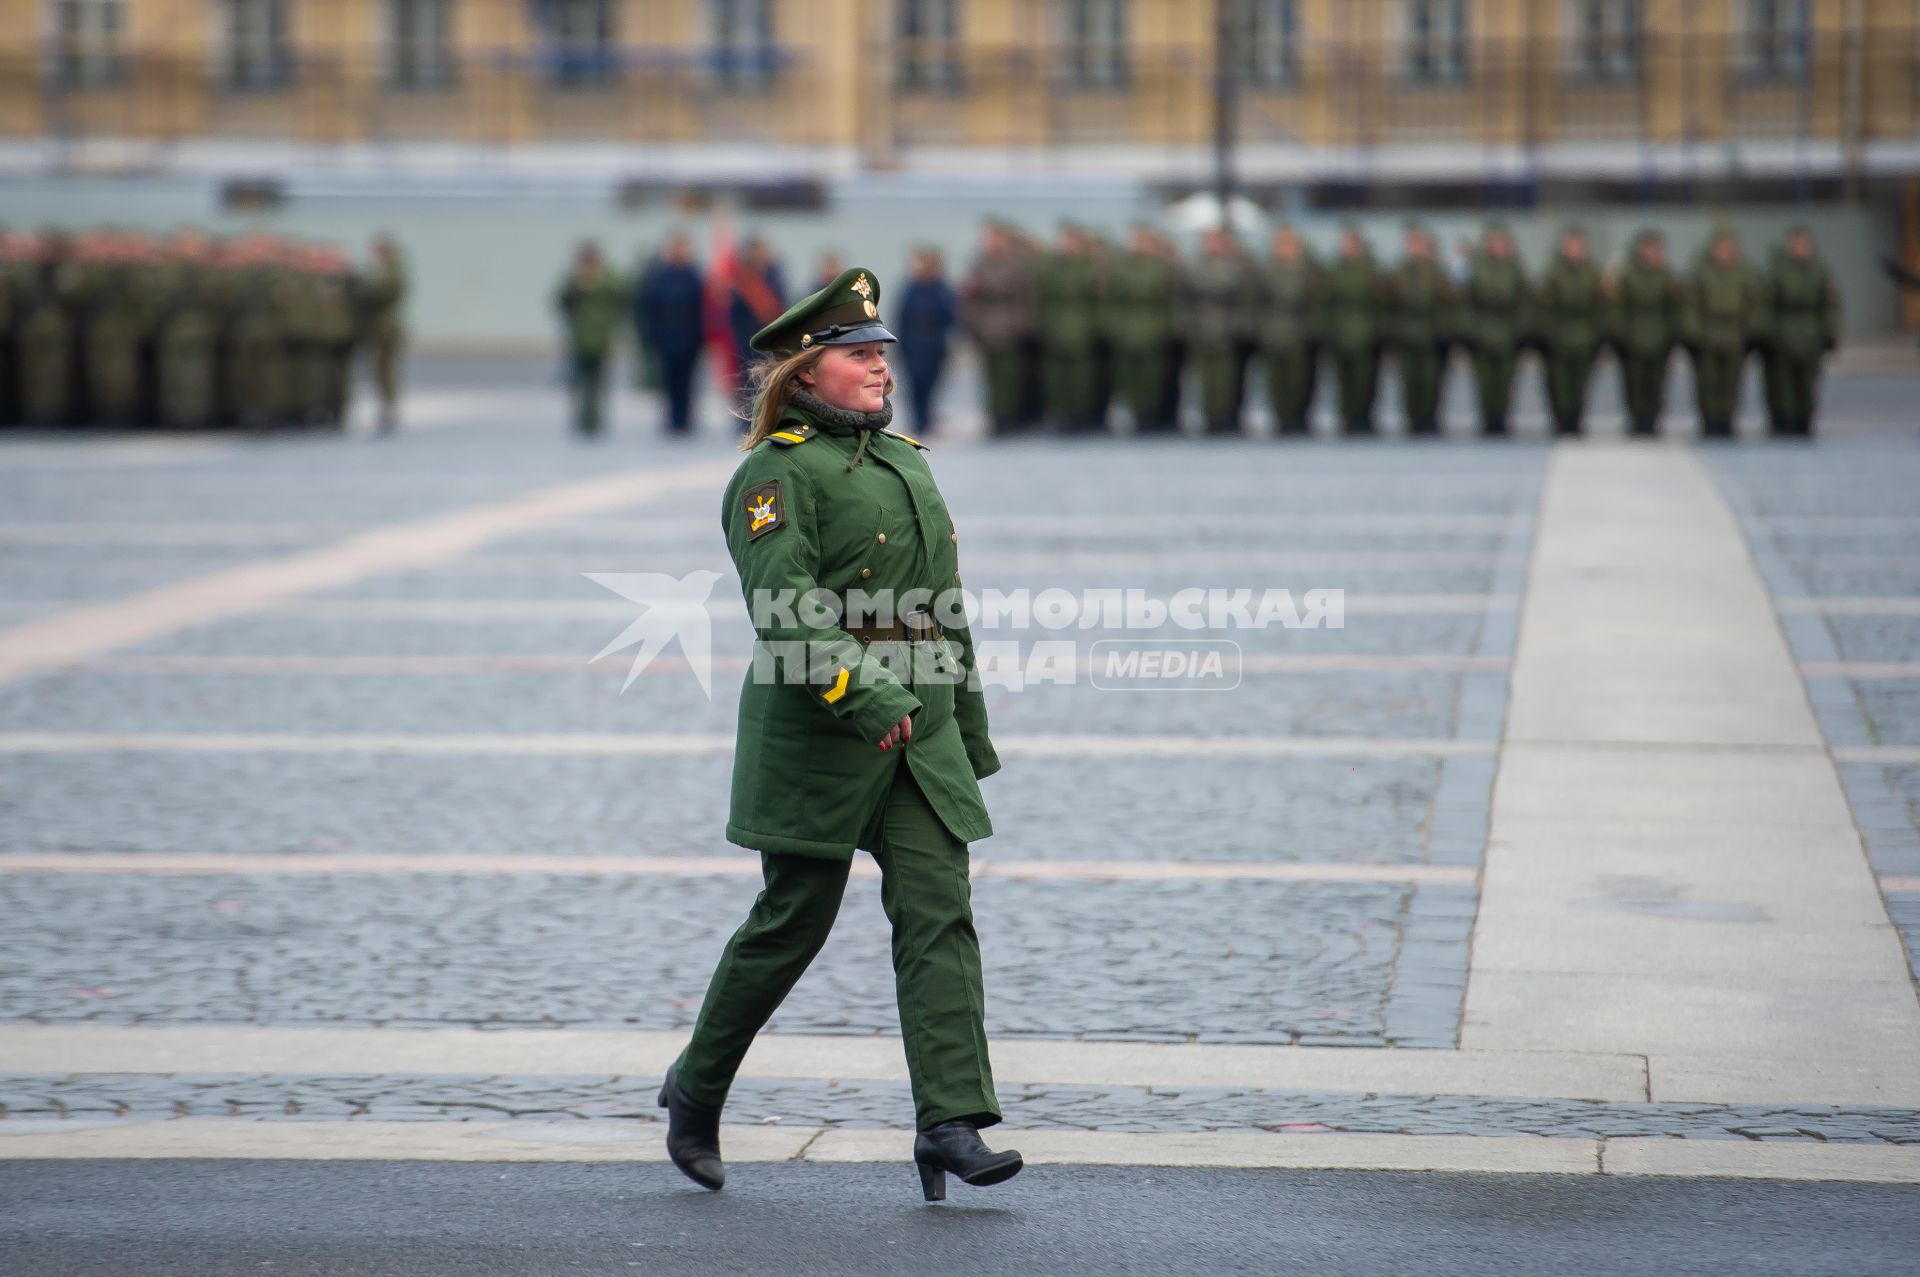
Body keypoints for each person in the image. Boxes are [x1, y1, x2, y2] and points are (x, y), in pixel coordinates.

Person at [659, 265, 1020, 1203]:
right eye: (859, 356)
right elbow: (786, 610)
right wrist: (864, 695)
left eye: (882, 356)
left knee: (938, 909)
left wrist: (967, 727)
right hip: (822, 725)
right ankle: (695, 1089)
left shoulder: (908, 460)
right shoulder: (774, 473)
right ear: (808, 370)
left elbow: (944, 608)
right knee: (793, 922)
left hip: (920, 724)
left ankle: (949, 1122)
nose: (879, 370)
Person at [958, 220, 1037, 435]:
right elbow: (969, 298)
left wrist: (1022, 326)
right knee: (991, 379)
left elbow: (1026, 299)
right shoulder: (980, 263)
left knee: (1011, 378)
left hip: (1010, 329)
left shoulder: (1017, 263)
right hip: (987, 330)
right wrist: (971, 325)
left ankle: (1011, 418)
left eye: (993, 237)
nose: (989, 242)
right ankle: (996, 418)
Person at [1760, 226, 1839, 438]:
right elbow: (1766, 304)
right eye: (1797, 243)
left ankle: (1805, 420)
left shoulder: (1819, 269)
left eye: (1805, 243)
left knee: (1808, 382)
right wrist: (1768, 333)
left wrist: (1830, 332)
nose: (1801, 248)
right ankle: (1784, 421)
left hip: (1811, 333)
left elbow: (1831, 303)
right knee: (1783, 384)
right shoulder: (1778, 269)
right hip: (1785, 332)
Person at [1683, 229, 1760, 440]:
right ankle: (1709, 420)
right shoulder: (1701, 272)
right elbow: (1691, 305)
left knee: (1731, 381)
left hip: (1734, 333)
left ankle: (1727, 419)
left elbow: (1752, 305)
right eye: (1722, 247)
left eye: (1730, 247)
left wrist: (1752, 333)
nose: (1726, 252)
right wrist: (1692, 333)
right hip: (1708, 333)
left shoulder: (1744, 272)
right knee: (1708, 381)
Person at [1104, 223, 1179, 433]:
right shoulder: (1120, 268)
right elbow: (1111, 301)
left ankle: (1152, 415)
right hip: (1127, 329)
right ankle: (1135, 414)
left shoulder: (1163, 268)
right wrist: (1115, 327)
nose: (1138, 246)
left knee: (1153, 378)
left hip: (1152, 327)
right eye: (1135, 241)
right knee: (1129, 378)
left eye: (1143, 242)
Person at [1611, 230, 1683, 438]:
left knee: (1657, 381)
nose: (1652, 253)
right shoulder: (1628, 275)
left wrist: (1674, 333)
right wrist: (1620, 333)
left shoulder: (1666, 275)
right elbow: (1618, 307)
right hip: (1633, 334)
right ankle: (1636, 418)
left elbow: (1675, 307)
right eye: (1648, 248)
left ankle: (1653, 419)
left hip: (1659, 335)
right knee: (1634, 381)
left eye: (1656, 249)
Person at [1386, 222, 1456, 436]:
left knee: (1431, 381)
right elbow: (1391, 305)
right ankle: (1413, 420)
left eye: (1419, 243)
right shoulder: (1399, 272)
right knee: (1409, 381)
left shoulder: (1437, 272)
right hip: (1407, 335)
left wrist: (1444, 332)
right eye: (1411, 243)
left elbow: (1448, 306)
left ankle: (1430, 418)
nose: (1415, 247)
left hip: (1431, 335)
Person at [553, 241, 629, 437]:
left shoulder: (608, 281)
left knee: (598, 384)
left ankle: (595, 421)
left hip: (601, 341)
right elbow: (561, 303)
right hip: (580, 341)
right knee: (579, 383)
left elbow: (622, 300)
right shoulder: (573, 282)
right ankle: (582, 420)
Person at [636, 231, 707, 436]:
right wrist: (651, 335)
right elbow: (649, 308)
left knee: (688, 381)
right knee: (668, 381)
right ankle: (673, 419)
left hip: (689, 337)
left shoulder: (694, 276)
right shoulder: (658, 277)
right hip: (666, 337)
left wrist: (700, 336)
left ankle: (685, 419)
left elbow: (703, 309)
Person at [1537, 226, 1605, 436]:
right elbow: (1544, 306)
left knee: (1581, 383)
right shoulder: (1554, 271)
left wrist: (1599, 333)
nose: (1575, 250)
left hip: (1585, 335)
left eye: (1579, 246)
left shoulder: (1593, 271)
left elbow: (1601, 306)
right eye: (1571, 245)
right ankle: (1561, 420)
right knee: (1559, 383)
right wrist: (1547, 334)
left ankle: (1577, 419)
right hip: (1560, 335)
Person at [1462, 223, 1528, 437]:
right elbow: (1467, 302)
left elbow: (1522, 302)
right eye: (1494, 242)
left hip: (1508, 333)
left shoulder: (1516, 267)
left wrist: (1521, 331)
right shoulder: (1477, 267)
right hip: (1483, 333)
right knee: (1485, 383)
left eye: (1502, 242)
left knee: (1505, 382)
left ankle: (1502, 419)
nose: (1498, 247)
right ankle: (1487, 420)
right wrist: (1470, 331)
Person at [1257, 223, 1321, 437]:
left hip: (1299, 332)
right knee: (1276, 380)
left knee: (1299, 380)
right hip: (1274, 331)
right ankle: (1281, 417)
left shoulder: (1308, 269)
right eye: (1280, 244)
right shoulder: (1267, 269)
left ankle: (1298, 417)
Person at [1323, 224, 1383, 435]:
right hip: (1340, 333)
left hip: (1365, 333)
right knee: (1343, 380)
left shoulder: (1371, 269)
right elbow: (1325, 303)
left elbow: (1381, 303)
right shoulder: (1334, 270)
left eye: (1350, 243)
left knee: (1364, 380)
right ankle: (1346, 417)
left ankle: (1363, 416)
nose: (1346, 248)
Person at [893, 245, 958, 438]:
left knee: (931, 385)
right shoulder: (909, 288)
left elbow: (950, 318)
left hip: (934, 345)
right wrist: (897, 345)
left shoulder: (941, 289)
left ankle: (927, 420)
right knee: (914, 385)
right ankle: (918, 422)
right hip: (913, 345)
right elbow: (901, 318)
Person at [356, 235, 408, 434]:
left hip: (386, 328)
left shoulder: (393, 270)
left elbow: (385, 292)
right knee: (379, 371)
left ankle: (388, 408)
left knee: (385, 370)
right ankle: (385, 407)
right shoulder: (382, 270)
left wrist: (361, 290)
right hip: (378, 327)